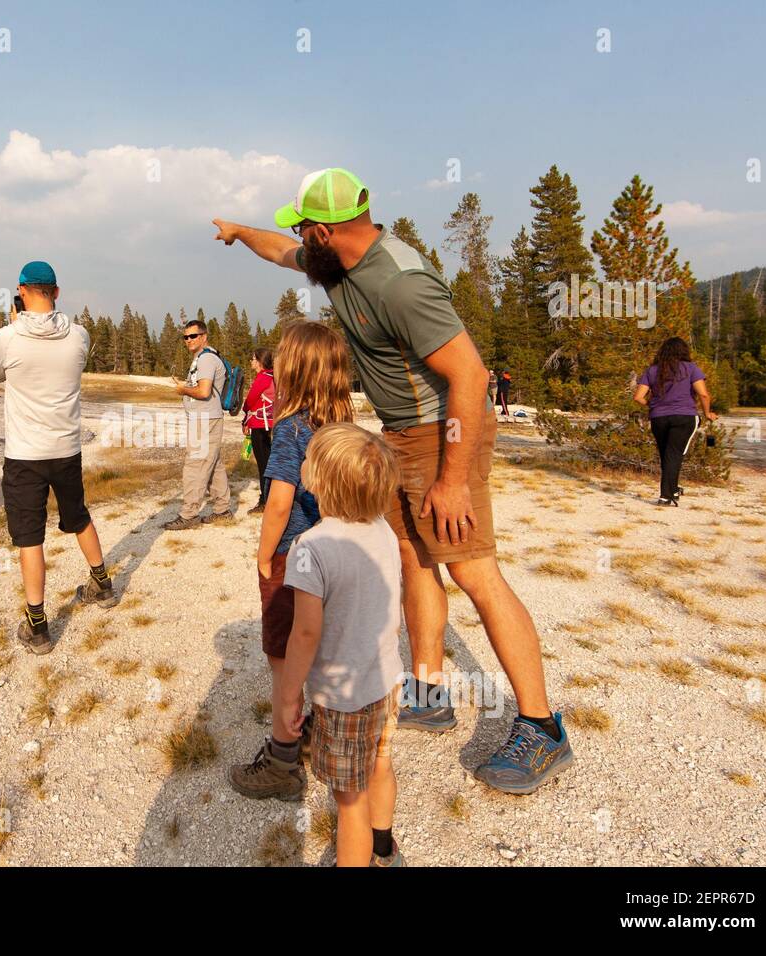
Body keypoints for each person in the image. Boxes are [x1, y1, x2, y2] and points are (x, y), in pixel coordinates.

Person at [213, 167, 573, 795]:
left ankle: (542, 726)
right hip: (402, 432)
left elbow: (471, 375)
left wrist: (453, 480)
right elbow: (280, 251)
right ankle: (428, 690)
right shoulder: (340, 261)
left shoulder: (400, 282)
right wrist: (242, 233)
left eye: (304, 229)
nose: (298, 241)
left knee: (473, 570)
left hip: (443, 432)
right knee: (412, 558)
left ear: (326, 229)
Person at [228, 321, 355, 801]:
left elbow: (279, 501)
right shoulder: (342, 427)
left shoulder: (291, 428)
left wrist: (263, 557)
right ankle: (319, 732)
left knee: (284, 658)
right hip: (335, 555)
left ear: (294, 372)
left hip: (294, 559)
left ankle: (283, 757)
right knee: (319, 647)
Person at [277, 421, 404, 866]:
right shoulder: (383, 530)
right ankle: (384, 846)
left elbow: (305, 633)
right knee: (381, 764)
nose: (303, 462)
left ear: (322, 481)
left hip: (344, 698)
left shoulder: (312, 547)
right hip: (386, 681)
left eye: (309, 458)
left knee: (349, 801)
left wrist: (288, 695)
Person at [0, 261, 118, 655]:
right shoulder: (79, 336)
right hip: (66, 449)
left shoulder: (6, 338)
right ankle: (103, 585)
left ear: (21, 292)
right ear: (56, 292)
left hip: (25, 454)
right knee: (78, 516)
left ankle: (38, 626)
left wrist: (15, 326)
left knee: (30, 537)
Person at [162, 318, 231, 530]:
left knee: (195, 465)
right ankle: (223, 509)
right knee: (213, 464)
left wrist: (183, 390)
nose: (189, 340)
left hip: (205, 419)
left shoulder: (206, 360)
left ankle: (189, 514)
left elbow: (203, 392)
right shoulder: (202, 358)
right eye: (185, 337)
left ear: (204, 336)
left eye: (193, 336)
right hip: (203, 418)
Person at [633, 336, 717, 506]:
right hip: (684, 417)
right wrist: (708, 413)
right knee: (675, 454)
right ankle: (666, 495)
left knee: (667, 454)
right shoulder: (691, 368)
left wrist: (654, 404)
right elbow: (703, 394)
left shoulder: (653, 370)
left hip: (659, 417)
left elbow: (638, 397)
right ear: (684, 351)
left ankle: (673, 489)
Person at [241, 347, 276, 514]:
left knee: (263, 464)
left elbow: (250, 400)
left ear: (261, 361)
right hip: (270, 423)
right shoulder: (274, 375)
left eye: (254, 359)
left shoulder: (262, 378)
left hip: (259, 425)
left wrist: (244, 414)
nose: (251, 361)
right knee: (269, 461)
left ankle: (265, 500)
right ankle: (271, 497)